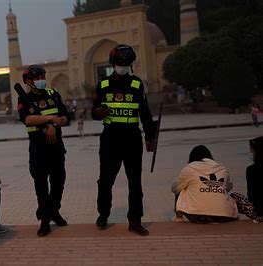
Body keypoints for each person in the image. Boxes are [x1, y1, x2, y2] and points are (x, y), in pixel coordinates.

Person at [91, 44, 156, 236]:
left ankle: (135, 221)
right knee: (105, 181)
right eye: (120, 62)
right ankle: (103, 215)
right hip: (110, 139)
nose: (124, 66)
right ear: (113, 63)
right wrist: (99, 112)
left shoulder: (136, 84)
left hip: (132, 139)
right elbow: (94, 113)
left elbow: (145, 113)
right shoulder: (103, 85)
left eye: (127, 63)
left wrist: (150, 137)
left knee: (135, 183)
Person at [18, 64, 70, 237]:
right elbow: (28, 119)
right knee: (41, 186)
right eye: (37, 78)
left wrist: (55, 125)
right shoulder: (24, 98)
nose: (41, 81)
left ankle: (54, 211)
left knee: (58, 183)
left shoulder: (53, 94)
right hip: (38, 147)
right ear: (29, 81)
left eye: (42, 77)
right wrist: (50, 119)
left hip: (56, 145)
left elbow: (65, 116)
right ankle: (45, 221)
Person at [171, 145, 238, 223]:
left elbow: (174, 188)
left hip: (197, 216)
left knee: (181, 187)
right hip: (224, 216)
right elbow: (228, 187)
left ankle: (179, 218)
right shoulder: (222, 169)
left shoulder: (189, 168)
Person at [231, 137, 263, 222]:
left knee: (233, 196)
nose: (251, 153)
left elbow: (251, 195)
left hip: (259, 213)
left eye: (251, 150)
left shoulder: (251, 170)